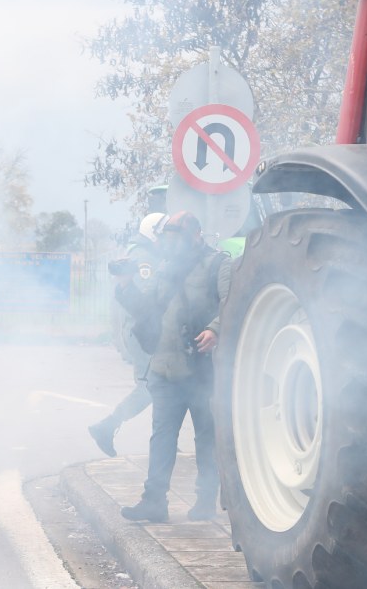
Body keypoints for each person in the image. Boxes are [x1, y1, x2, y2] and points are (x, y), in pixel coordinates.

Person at [114, 211, 230, 523]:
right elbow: (146, 309)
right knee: (162, 437)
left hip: (202, 370)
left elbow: (232, 303)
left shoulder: (219, 264)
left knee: (206, 437)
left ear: (196, 235)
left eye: (176, 237)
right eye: (167, 238)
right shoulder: (165, 267)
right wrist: (125, 285)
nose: (170, 244)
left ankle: (205, 500)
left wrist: (216, 329)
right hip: (165, 367)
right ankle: (154, 501)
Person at [89, 212, 164, 457]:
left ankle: (165, 440)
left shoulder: (144, 254)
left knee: (159, 388)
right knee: (148, 388)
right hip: (143, 335)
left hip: (141, 333)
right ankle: (106, 426)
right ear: (154, 234)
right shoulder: (145, 258)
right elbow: (145, 296)